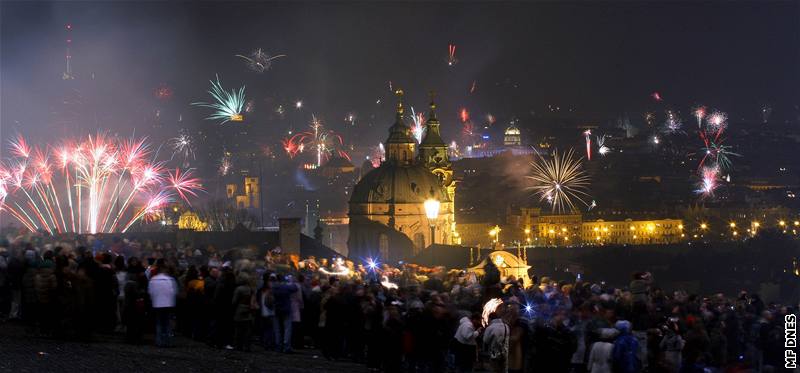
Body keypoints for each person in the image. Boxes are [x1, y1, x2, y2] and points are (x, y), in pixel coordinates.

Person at [148, 260, 177, 347]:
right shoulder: (170, 280)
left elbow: (150, 292)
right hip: (168, 304)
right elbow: (174, 292)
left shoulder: (153, 280)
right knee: (167, 323)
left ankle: (159, 341)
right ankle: (168, 342)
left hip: (157, 304)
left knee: (159, 323)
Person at [272, 274, 298, 353]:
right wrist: (291, 281)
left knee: (277, 329)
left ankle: (278, 346)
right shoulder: (286, 287)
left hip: (276, 309)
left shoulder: (273, 287)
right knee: (287, 329)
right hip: (286, 309)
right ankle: (286, 346)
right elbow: (295, 288)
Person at [232, 273, 255, 351]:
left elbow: (234, 301)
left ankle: (238, 346)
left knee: (238, 329)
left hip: (240, 309)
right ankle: (247, 346)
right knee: (248, 330)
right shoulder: (251, 289)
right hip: (249, 310)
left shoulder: (239, 289)